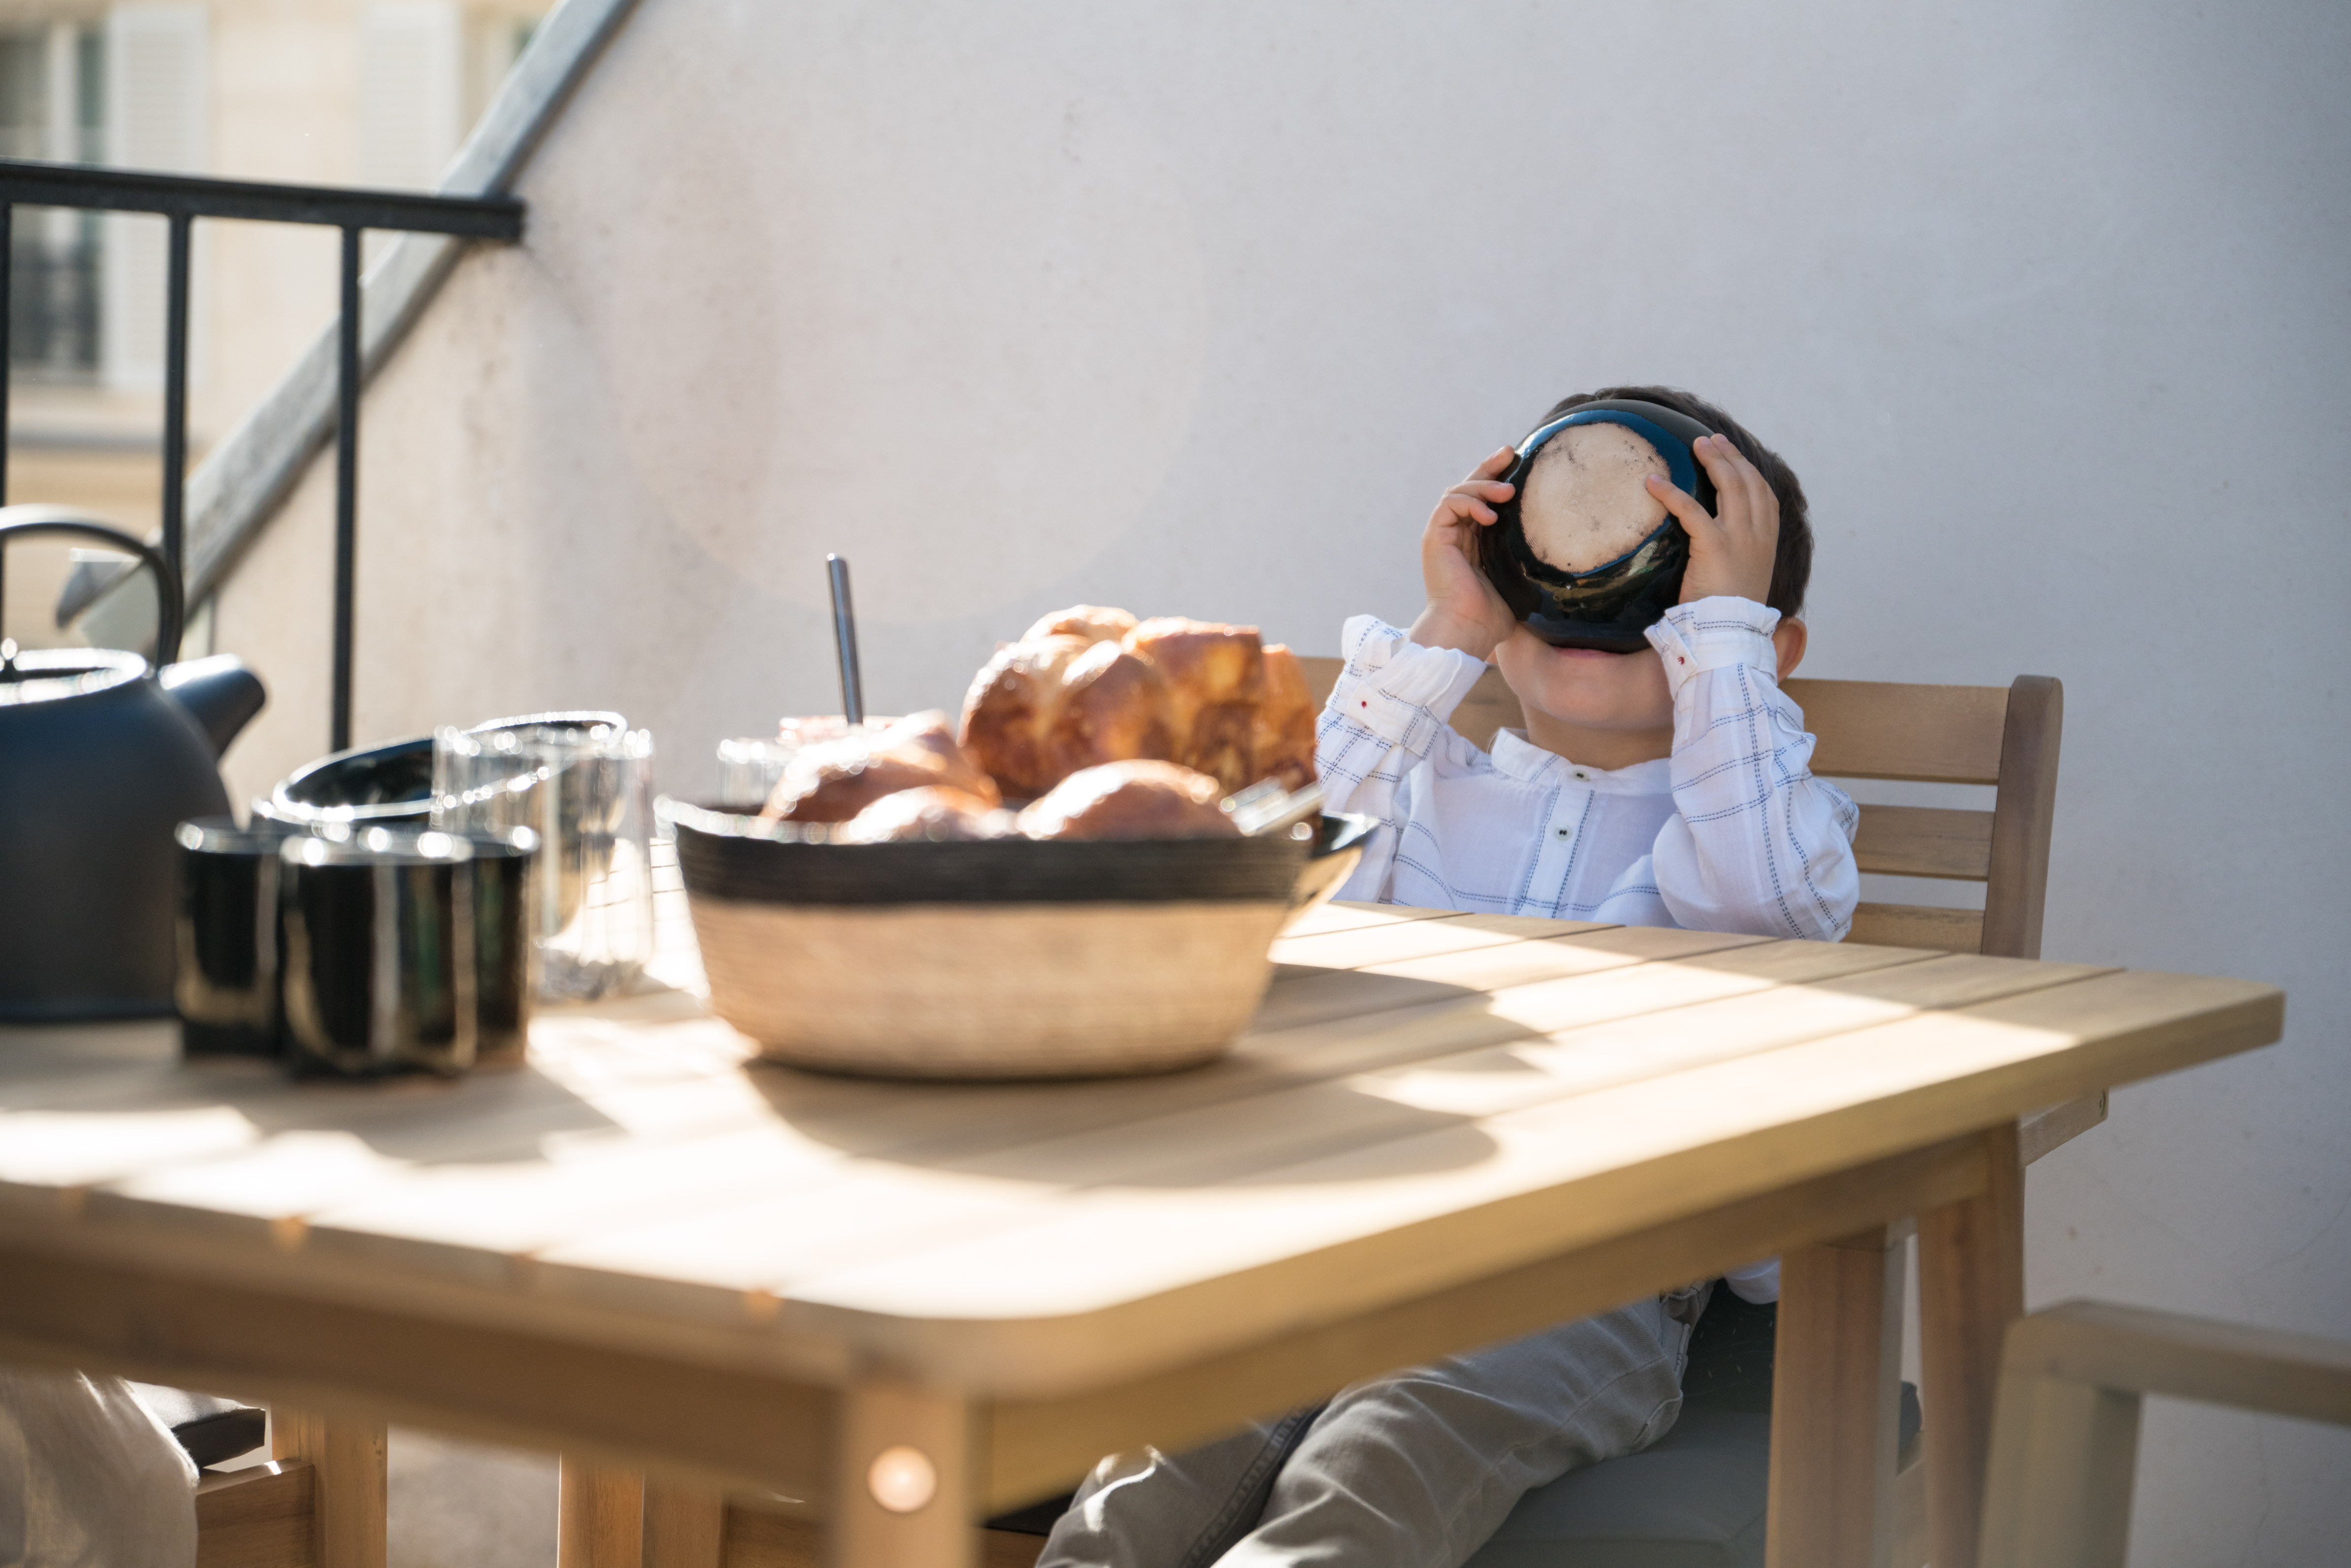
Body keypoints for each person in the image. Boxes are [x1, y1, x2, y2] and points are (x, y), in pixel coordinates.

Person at [1036, 386, 1859, 1568]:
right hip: (1333, 1237)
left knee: (1379, 1461)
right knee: (1153, 1479)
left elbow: (1763, 907)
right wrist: (1451, 625)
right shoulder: (1419, 788)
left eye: (1677, 602)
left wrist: (1719, 625)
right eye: (1556, 571)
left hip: (1589, 1277)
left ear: (1756, 647)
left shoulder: (1765, 829)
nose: (1603, 610)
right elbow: (1262, 880)